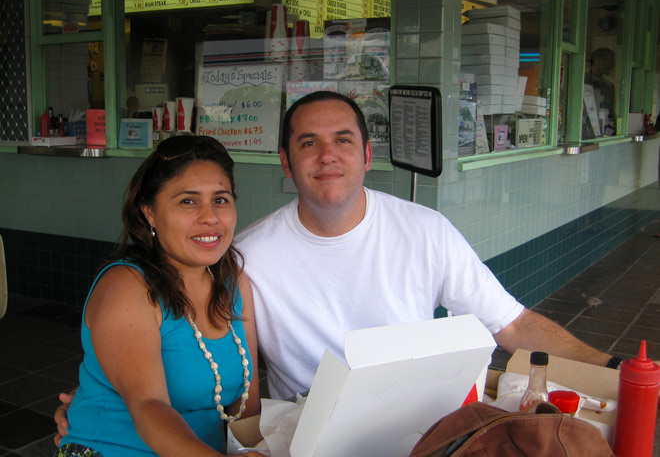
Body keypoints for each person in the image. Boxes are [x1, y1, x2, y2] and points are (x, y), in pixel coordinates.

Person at [56, 92, 615, 431]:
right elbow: (174, 348)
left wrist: (613, 371)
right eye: (308, 143)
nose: (327, 155)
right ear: (286, 160)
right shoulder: (244, 257)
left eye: (343, 140)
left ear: (367, 156)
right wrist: (102, 396)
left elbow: (512, 323)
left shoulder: (424, 230)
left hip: (420, 425)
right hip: (313, 432)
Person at [55, 135, 264, 457]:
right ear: (149, 213)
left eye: (221, 200)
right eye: (188, 201)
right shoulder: (127, 285)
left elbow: (246, 400)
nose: (210, 216)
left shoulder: (233, 280)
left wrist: (253, 450)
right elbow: (148, 405)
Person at [585, 47, 616, 135]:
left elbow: (611, 112)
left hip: (604, 131)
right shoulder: (582, 80)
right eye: (610, 62)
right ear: (598, 61)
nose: (611, 66)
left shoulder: (609, 86)